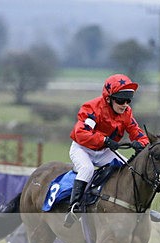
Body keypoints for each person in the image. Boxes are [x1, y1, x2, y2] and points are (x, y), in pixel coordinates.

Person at [64, 73, 149, 227]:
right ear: (108, 98)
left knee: (128, 168)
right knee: (87, 169)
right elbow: (81, 133)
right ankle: (74, 207)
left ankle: (140, 206)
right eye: (121, 100)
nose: (125, 104)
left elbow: (136, 131)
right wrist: (104, 140)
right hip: (83, 149)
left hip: (104, 151)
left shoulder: (126, 112)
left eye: (128, 100)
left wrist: (141, 143)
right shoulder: (92, 108)